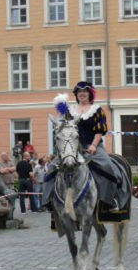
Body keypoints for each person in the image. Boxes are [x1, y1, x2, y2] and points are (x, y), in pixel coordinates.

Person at [42, 81, 127, 210]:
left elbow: (100, 131)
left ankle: (108, 200)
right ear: (76, 94)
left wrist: (93, 145)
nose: (82, 94)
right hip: (73, 147)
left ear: (90, 94)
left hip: (93, 146)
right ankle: (48, 200)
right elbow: (65, 128)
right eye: (79, 92)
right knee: (52, 167)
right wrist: (61, 112)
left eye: (85, 91)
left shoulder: (97, 110)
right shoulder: (70, 110)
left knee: (107, 167)